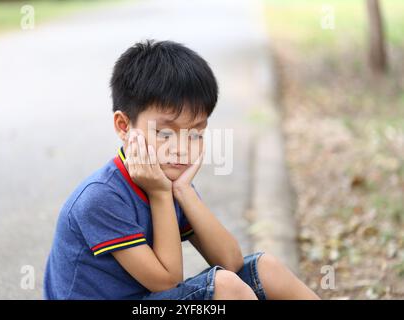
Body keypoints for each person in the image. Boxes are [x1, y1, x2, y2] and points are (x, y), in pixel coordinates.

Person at [43, 39, 320, 300]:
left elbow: (230, 261)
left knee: (264, 268)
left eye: (195, 134)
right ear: (124, 126)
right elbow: (166, 282)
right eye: (165, 133)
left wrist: (183, 191)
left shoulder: (170, 183)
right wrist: (161, 195)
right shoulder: (101, 198)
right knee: (224, 288)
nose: (182, 148)